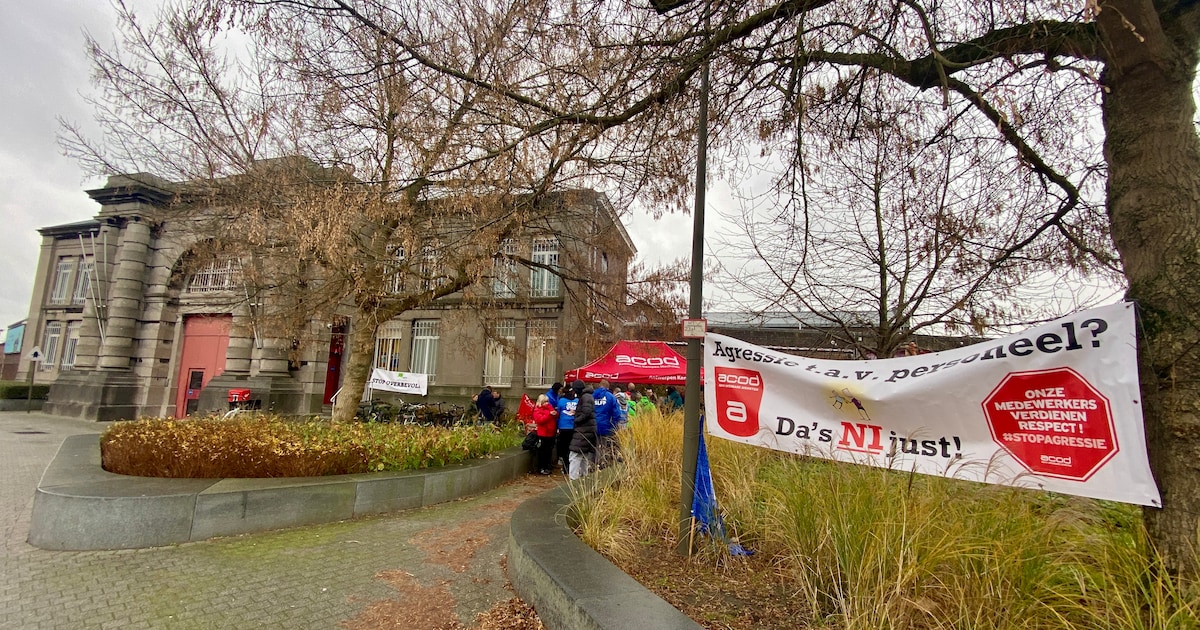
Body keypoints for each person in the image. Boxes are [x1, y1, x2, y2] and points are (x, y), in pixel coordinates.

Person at [592, 379, 626, 467]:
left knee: (594, 445)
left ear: (599, 386)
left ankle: (594, 464)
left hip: (592, 425)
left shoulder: (592, 395)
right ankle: (602, 464)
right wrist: (613, 425)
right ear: (608, 387)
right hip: (605, 425)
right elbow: (617, 414)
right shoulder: (611, 397)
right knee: (604, 446)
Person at [568, 379, 597, 480]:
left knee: (574, 455)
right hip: (588, 430)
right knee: (583, 455)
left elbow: (586, 412)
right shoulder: (588, 396)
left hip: (583, 430)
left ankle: (573, 479)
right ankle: (584, 478)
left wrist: (576, 418)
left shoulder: (585, 397)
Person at [531, 394, 558, 475]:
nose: (546, 403)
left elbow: (556, 415)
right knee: (542, 452)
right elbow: (540, 420)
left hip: (551, 432)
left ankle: (547, 466)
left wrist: (554, 413)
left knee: (549, 451)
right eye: (544, 402)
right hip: (543, 433)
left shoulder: (550, 407)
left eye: (547, 401)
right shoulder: (537, 410)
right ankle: (541, 468)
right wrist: (549, 415)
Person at [555, 386, 578, 475]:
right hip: (574, 427)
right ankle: (572, 468)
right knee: (572, 448)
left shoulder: (561, 401)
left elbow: (558, 413)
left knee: (564, 448)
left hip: (563, 427)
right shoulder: (577, 401)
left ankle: (565, 468)